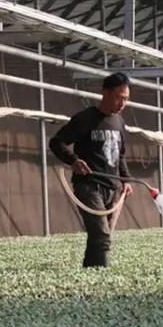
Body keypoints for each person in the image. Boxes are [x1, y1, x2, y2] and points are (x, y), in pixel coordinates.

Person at [49, 72, 133, 268]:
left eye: (126, 99)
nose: (122, 103)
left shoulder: (119, 122)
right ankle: (102, 280)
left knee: (100, 237)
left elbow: (120, 155)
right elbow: (56, 142)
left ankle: (89, 274)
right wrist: (74, 161)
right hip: (89, 186)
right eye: (119, 97)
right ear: (105, 93)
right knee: (102, 235)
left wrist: (126, 180)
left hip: (112, 187)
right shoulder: (85, 119)